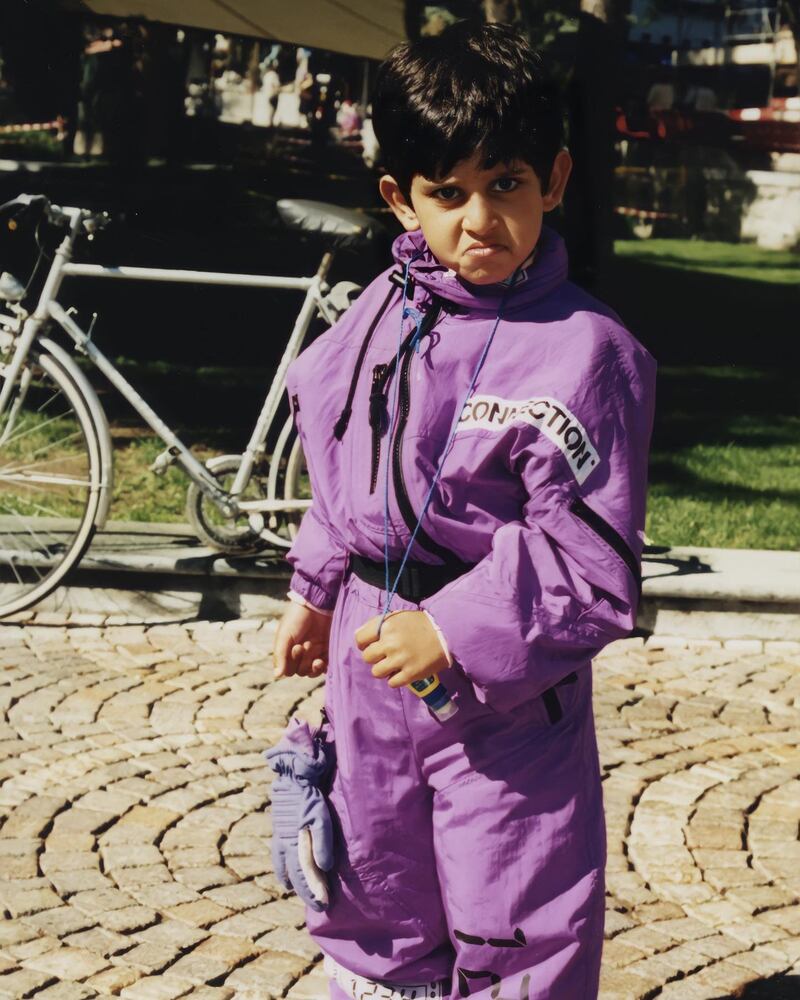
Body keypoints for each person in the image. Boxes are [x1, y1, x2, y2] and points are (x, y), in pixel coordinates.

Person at [267, 20, 656, 1000]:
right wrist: (315, 588)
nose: (479, 218)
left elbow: (588, 558)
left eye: (507, 184)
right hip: (368, 666)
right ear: (400, 195)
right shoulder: (379, 313)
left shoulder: (582, 354)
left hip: (502, 703)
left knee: (512, 902)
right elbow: (340, 462)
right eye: (448, 193)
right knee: (372, 881)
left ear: (555, 180)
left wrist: (450, 627)